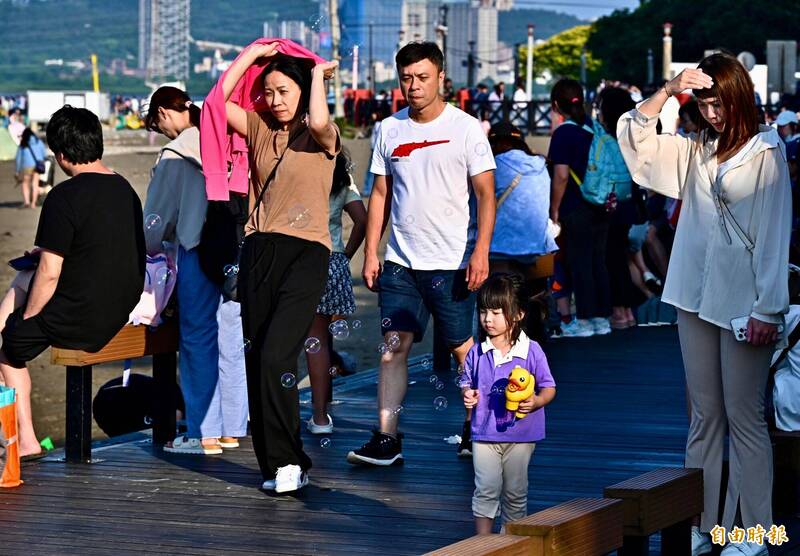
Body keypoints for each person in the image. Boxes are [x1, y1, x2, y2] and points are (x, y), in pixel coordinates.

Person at [618, 53, 792, 556]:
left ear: (740, 99)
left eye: (721, 103)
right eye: (707, 104)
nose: (714, 113)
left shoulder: (768, 152)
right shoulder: (695, 150)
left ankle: (754, 532)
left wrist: (767, 309)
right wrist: (670, 89)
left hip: (746, 304)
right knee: (704, 418)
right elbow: (636, 139)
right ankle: (699, 522)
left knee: (745, 417)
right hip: (693, 294)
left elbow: (775, 236)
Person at [346, 41, 496, 466]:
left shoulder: (466, 128)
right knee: (392, 347)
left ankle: (477, 427)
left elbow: (486, 195)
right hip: (400, 262)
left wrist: (481, 251)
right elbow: (380, 193)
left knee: (463, 348)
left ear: (441, 79)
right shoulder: (388, 129)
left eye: (422, 78)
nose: (413, 86)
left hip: (451, 261)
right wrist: (372, 253)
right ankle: (387, 438)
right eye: (406, 78)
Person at [222, 43, 340, 493]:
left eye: (283, 90)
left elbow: (321, 120)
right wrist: (252, 56)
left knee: (276, 355)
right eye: (268, 91)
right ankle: (273, 465)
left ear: (302, 89)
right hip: (258, 250)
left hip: (307, 252)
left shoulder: (321, 137)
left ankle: (293, 460)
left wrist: (315, 78)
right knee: (257, 359)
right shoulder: (256, 125)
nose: (274, 99)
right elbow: (217, 102)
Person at [0, 105, 145, 459]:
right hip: (119, 304)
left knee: (7, 347)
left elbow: (50, 271)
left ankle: (28, 441)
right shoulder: (124, 189)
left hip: (82, 317)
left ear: (61, 155)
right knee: (28, 274)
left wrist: (30, 319)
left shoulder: (63, 196)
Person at [143, 86, 248, 455]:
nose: (160, 130)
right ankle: (233, 429)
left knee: (197, 340)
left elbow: (154, 223)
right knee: (231, 340)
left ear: (164, 113)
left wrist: (152, 250)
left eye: (156, 122)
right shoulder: (224, 141)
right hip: (235, 250)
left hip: (196, 250)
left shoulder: (175, 154)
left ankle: (204, 434)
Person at [461, 273, 556, 534]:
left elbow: (549, 388)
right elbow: (466, 383)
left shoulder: (532, 351)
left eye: (495, 312)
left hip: (522, 435)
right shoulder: (477, 351)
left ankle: (511, 543)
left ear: (518, 314)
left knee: (515, 491)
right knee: (485, 488)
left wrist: (536, 401)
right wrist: (468, 395)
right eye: (483, 312)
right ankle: (482, 543)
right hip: (484, 433)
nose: (487, 319)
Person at [305, 151, 367, 435]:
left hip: (299, 259)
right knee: (320, 340)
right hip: (332, 260)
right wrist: (346, 254)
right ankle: (320, 417)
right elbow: (362, 220)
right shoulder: (343, 178)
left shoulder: (301, 173)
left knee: (291, 341)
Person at [548, 78, 612, 337]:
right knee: (599, 260)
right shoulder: (595, 128)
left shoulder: (564, 133)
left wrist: (554, 209)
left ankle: (584, 321)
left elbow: (561, 175)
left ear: (556, 105)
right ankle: (602, 319)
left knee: (580, 262)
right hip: (603, 203)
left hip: (576, 206)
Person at [487, 121, 555, 275]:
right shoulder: (541, 164)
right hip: (538, 245)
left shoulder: (495, 165)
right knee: (536, 295)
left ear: (499, 143)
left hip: (502, 246)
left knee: (501, 295)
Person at [595, 87, 639, 329]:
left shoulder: (605, 137)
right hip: (628, 202)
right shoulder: (630, 135)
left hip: (609, 203)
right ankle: (628, 311)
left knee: (610, 259)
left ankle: (619, 312)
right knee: (620, 258)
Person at [15, 128, 46, 208]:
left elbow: (18, 159)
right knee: (35, 184)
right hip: (38, 166)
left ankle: (27, 202)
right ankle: (33, 203)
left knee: (25, 184)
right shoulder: (38, 142)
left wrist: (17, 171)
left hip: (27, 166)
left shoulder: (23, 144)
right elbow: (44, 154)